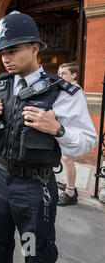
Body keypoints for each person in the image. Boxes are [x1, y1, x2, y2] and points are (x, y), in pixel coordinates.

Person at [0, 11, 98, 263]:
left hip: (34, 185)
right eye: (4, 52)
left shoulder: (62, 93)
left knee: (36, 252)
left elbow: (87, 140)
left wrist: (57, 129)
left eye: (14, 50)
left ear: (34, 48)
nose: (7, 58)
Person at [56, 63, 85, 206]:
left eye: (64, 73)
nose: (60, 76)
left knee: (67, 158)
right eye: (59, 73)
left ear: (73, 75)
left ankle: (70, 193)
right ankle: (70, 184)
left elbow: (76, 114)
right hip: (63, 129)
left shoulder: (76, 90)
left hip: (71, 130)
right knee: (65, 158)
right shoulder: (64, 88)